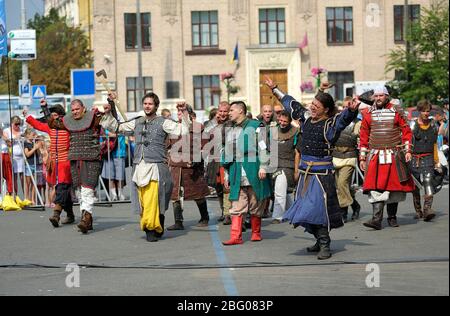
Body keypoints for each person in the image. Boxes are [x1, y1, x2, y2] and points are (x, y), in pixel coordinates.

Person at [265, 76, 360, 260]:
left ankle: (325, 244)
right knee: (305, 211)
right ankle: (318, 240)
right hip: (305, 175)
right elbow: (291, 103)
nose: (313, 107)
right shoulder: (306, 118)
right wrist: (275, 88)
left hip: (321, 176)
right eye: (313, 103)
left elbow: (343, 119)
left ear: (326, 109)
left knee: (317, 211)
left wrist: (351, 110)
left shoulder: (330, 125)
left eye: (317, 105)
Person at [101, 93, 191, 242]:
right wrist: (110, 106)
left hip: (156, 167)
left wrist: (185, 112)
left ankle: (151, 227)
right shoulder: (137, 122)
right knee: (144, 200)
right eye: (145, 104)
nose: (147, 106)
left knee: (154, 199)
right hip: (140, 166)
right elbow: (116, 127)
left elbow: (183, 130)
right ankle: (154, 224)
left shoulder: (164, 122)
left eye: (150, 104)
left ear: (156, 106)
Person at [44, 99, 106, 233]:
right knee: (79, 191)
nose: (75, 112)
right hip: (75, 159)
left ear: (83, 108)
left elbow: (108, 120)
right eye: (72, 110)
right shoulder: (68, 121)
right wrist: (45, 108)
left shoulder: (93, 118)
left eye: (77, 109)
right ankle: (86, 219)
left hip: (91, 158)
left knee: (87, 190)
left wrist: (109, 106)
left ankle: (86, 218)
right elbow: (52, 123)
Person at [359, 86, 415, 230]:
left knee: (394, 187)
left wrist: (408, 151)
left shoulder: (397, 112)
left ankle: (391, 217)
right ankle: (376, 219)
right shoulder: (367, 114)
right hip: (375, 155)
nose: (378, 98)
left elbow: (407, 132)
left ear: (386, 96)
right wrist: (362, 158)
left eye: (381, 96)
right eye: (376, 96)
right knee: (375, 187)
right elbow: (364, 137)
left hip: (394, 154)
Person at [221, 101, 272, 246]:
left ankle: (256, 233)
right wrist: (226, 174)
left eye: (231, 110)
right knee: (236, 204)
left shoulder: (257, 126)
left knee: (256, 203)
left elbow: (263, 147)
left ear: (241, 111)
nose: (229, 113)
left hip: (254, 168)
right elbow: (227, 152)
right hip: (237, 170)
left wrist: (263, 166)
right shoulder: (231, 130)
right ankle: (236, 236)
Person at [166, 106, 210, 230]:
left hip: (193, 166)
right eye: (178, 113)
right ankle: (178, 221)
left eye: (182, 112)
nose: (179, 114)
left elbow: (205, 147)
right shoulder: (174, 128)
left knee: (198, 194)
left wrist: (196, 159)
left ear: (189, 114)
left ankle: (204, 217)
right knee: (176, 195)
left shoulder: (198, 128)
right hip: (176, 166)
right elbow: (167, 145)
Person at [332, 96, 362, 222]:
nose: (346, 109)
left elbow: (357, 137)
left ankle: (343, 212)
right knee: (340, 186)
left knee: (342, 183)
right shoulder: (335, 121)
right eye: (344, 107)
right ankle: (355, 205)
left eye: (348, 106)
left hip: (349, 155)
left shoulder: (357, 122)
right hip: (335, 155)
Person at [410, 100, 440, 221]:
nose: (426, 113)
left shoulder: (433, 125)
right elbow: (408, 143)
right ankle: (418, 211)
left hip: (428, 157)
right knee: (415, 187)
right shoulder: (412, 125)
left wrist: (436, 161)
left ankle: (427, 210)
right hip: (414, 158)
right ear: (419, 111)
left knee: (428, 182)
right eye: (423, 111)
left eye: (428, 111)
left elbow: (434, 145)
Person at [204, 102, 233, 225]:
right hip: (214, 159)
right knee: (218, 187)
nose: (222, 114)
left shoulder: (232, 124)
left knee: (227, 187)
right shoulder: (212, 124)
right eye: (220, 111)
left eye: (225, 111)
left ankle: (228, 214)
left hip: (227, 159)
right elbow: (204, 134)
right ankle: (223, 212)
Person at [270, 110, 299, 224]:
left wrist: (296, 170)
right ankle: (294, 211)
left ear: (290, 121)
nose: (282, 123)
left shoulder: (296, 132)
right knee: (280, 190)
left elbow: (297, 153)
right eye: (280, 120)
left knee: (279, 190)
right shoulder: (272, 131)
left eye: (285, 121)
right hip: (274, 164)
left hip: (288, 165)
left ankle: (277, 216)